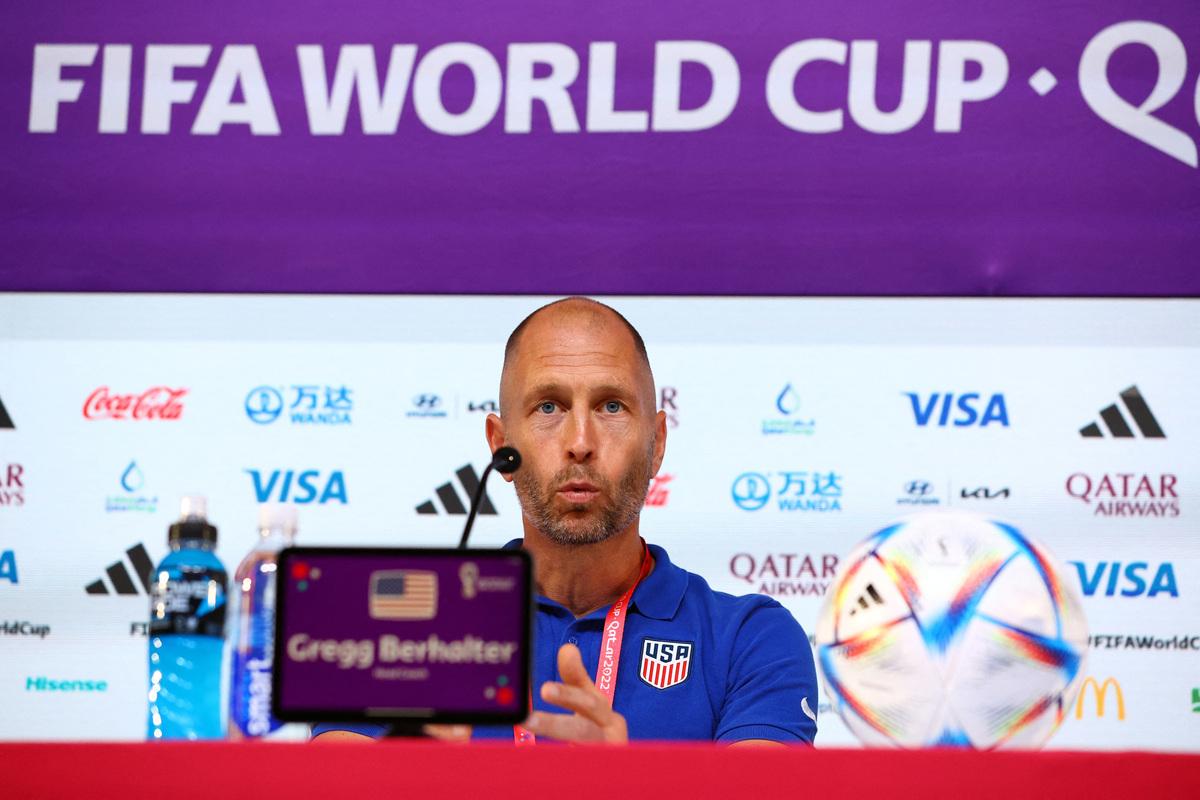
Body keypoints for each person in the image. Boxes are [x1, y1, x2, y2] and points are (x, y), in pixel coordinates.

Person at [314, 297, 818, 744]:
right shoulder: (395, 632)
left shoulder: (751, 639)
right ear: (499, 444)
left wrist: (614, 786)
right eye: (549, 406)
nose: (580, 441)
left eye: (611, 406)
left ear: (657, 442)